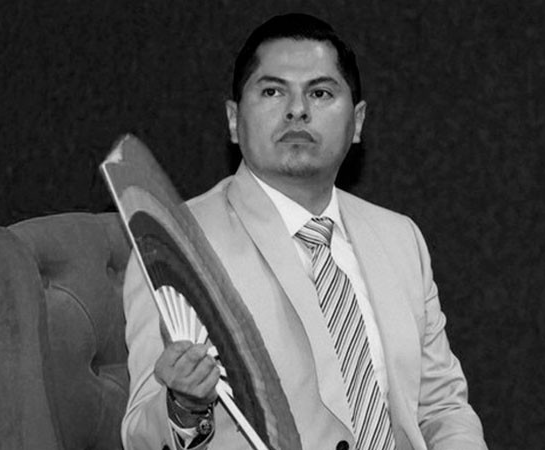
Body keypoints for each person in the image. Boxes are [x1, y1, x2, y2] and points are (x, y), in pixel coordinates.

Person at [121, 13, 487, 450]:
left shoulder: (399, 237)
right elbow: (139, 434)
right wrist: (183, 406)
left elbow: (442, 407)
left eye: (320, 92)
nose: (298, 110)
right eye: (273, 91)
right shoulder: (174, 244)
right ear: (234, 120)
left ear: (357, 122)